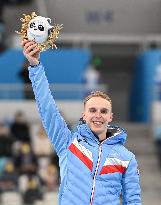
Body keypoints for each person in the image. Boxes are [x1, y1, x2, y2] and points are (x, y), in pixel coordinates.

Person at [22, 40, 141, 205]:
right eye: (92, 110)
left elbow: (133, 200)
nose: (98, 115)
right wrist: (36, 67)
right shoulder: (68, 144)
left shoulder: (126, 158)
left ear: (110, 117)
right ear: (84, 115)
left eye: (103, 111)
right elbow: (47, 109)